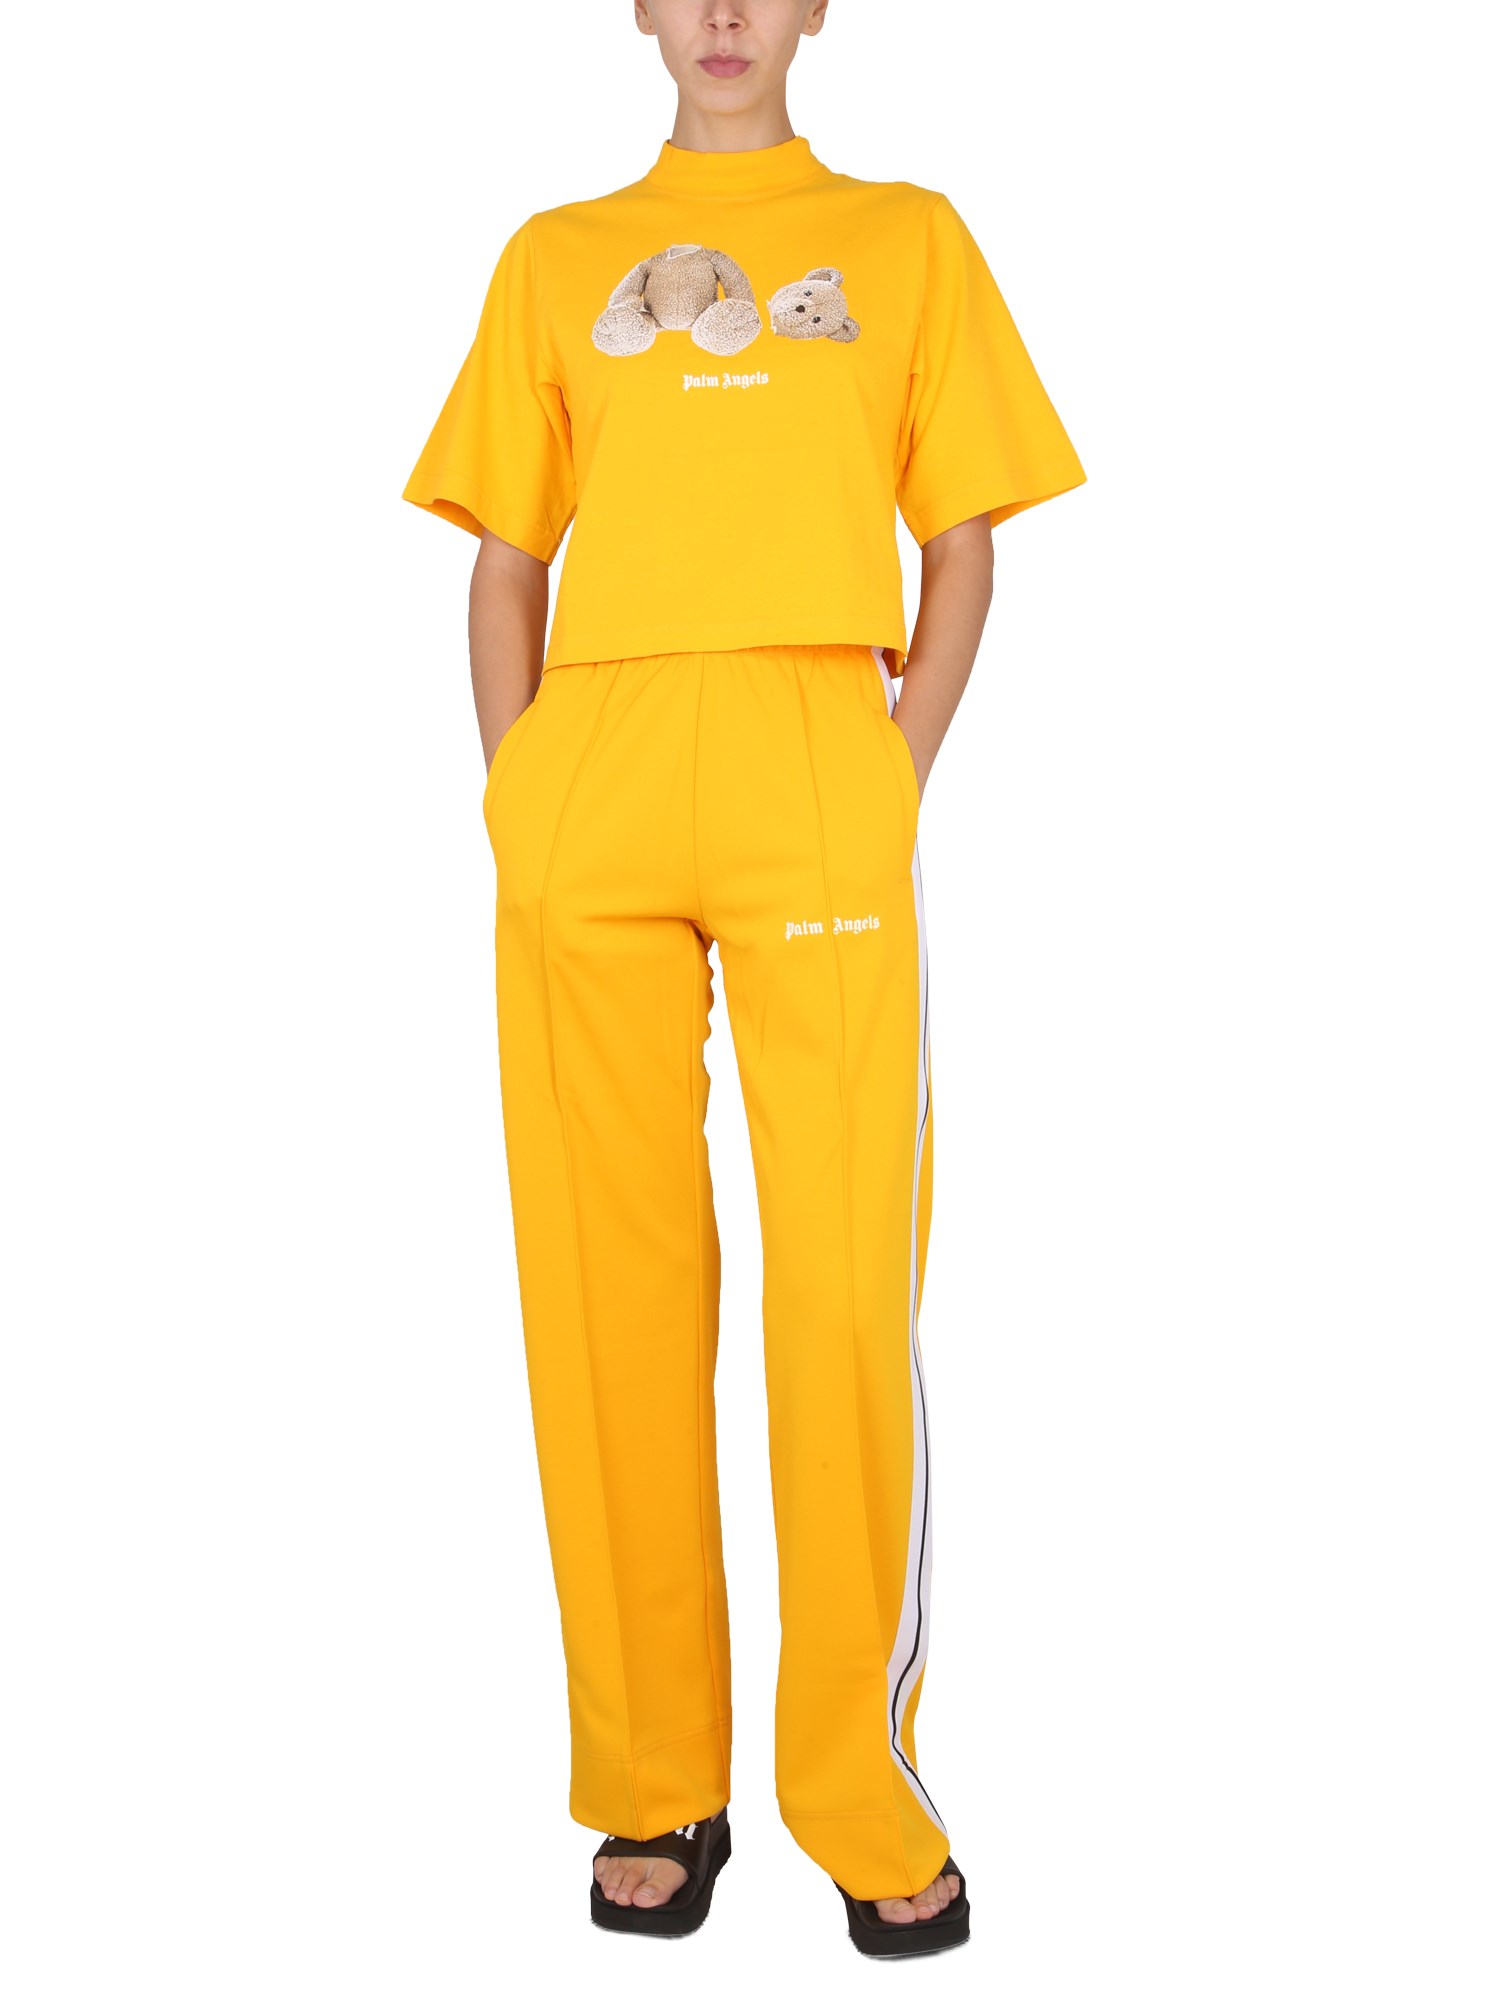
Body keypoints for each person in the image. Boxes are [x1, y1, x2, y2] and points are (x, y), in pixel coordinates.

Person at [401, 0, 1083, 1958]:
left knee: (841, 1297)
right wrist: (521, 797)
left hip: (815, 757)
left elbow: (965, 543)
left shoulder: (906, 238)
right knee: (603, 1291)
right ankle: (652, 1778)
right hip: (593, 778)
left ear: (812, 8)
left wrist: (891, 764)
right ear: (638, 7)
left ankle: (856, 1786)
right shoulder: (554, 258)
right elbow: (503, 559)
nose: (722, 13)